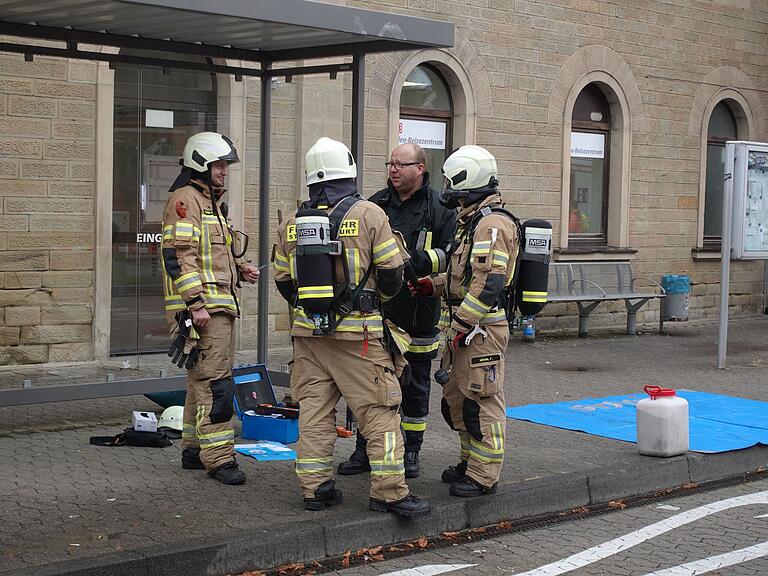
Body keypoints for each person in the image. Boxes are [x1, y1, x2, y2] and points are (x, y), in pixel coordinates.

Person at [273, 137, 430, 517]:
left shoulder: (292, 222)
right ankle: (389, 493)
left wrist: (315, 309)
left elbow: (282, 281)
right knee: (380, 412)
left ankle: (316, 489)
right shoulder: (370, 214)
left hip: (308, 336)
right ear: (349, 171)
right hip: (358, 338)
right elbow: (393, 273)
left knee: (314, 413)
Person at [337, 143, 456, 479]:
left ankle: (411, 451)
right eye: (390, 163)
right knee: (368, 383)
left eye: (401, 164)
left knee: (416, 385)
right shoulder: (375, 205)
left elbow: (449, 253)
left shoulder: (439, 207)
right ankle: (364, 449)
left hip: (419, 308)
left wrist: (416, 264)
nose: (393, 170)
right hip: (378, 312)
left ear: (420, 168)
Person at [412, 145, 518, 497]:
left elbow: (489, 282)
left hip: (480, 329)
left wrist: (461, 325)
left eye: (450, 179)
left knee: (481, 400)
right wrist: (433, 285)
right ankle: (469, 463)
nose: (446, 186)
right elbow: (464, 277)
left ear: (466, 179)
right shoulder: (471, 222)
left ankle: (484, 476)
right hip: (465, 326)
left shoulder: (491, 224)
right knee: (457, 399)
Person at [160, 132, 260, 486]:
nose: (224, 172)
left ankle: (192, 449)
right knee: (216, 384)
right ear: (201, 163)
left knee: (198, 381)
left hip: (216, 306)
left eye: (225, 166)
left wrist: (242, 268)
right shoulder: (186, 200)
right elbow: (179, 255)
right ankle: (218, 458)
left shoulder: (210, 203)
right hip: (206, 309)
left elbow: (214, 254)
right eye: (219, 165)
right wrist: (196, 304)